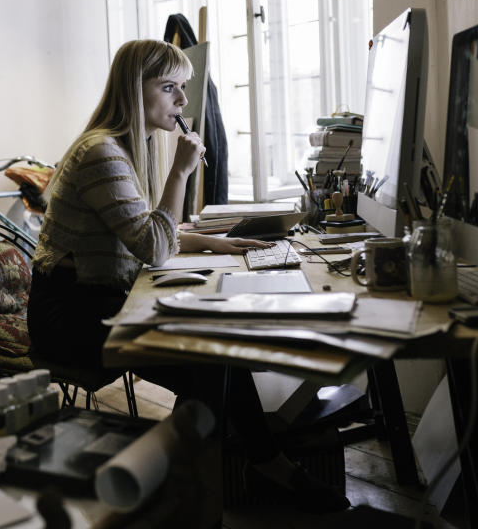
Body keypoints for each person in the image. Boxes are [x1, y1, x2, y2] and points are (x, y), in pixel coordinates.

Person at [27, 39, 349, 513]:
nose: (181, 101)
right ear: (135, 91)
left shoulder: (121, 147)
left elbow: (143, 235)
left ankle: (224, 476)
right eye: (169, 88)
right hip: (69, 317)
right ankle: (201, 486)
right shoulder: (102, 154)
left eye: (183, 88)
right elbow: (154, 248)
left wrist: (215, 243)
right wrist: (180, 172)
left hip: (98, 301)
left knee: (215, 355)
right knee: (209, 361)